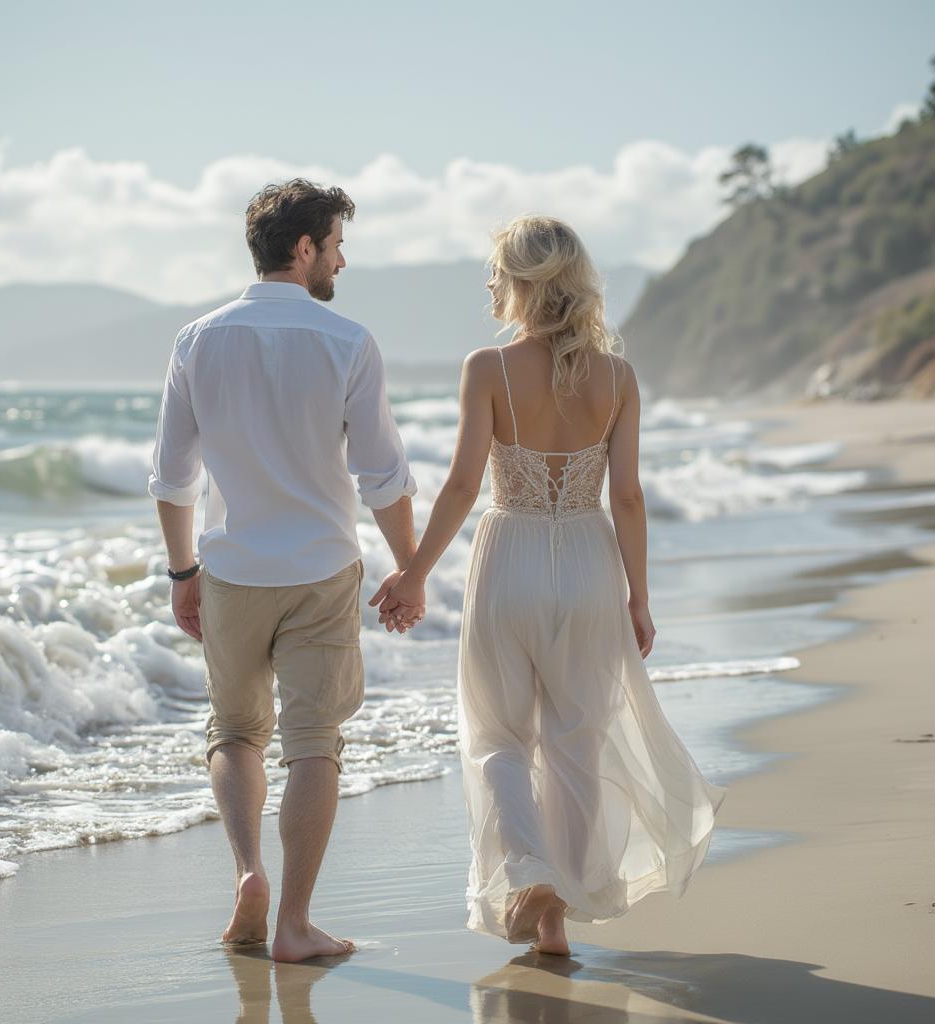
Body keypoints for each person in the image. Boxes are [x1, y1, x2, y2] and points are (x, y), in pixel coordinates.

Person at [373, 216, 725, 954]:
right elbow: (626, 496)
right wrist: (640, 596)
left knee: (498, 734)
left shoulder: (487, 369)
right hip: (592, 565)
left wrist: (414, 572)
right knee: (576, 741)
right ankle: (556, 910)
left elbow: (465, 483)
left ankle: (530, 873)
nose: (490, 286)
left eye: (496, 273)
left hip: (510, 563)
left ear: (521, 283)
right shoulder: (620, 378)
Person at [149, 178, 418, 962]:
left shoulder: (196, 339)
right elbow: (384, 479)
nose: (342, 259)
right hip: (321, 569)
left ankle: (248, 876)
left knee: (234, 732)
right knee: (313, 742)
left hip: (232, 571)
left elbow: (172, 477)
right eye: (336, 244)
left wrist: (181, 573)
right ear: (304, 250)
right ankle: (295, 924)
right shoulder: (348, 342)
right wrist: (410, 570)